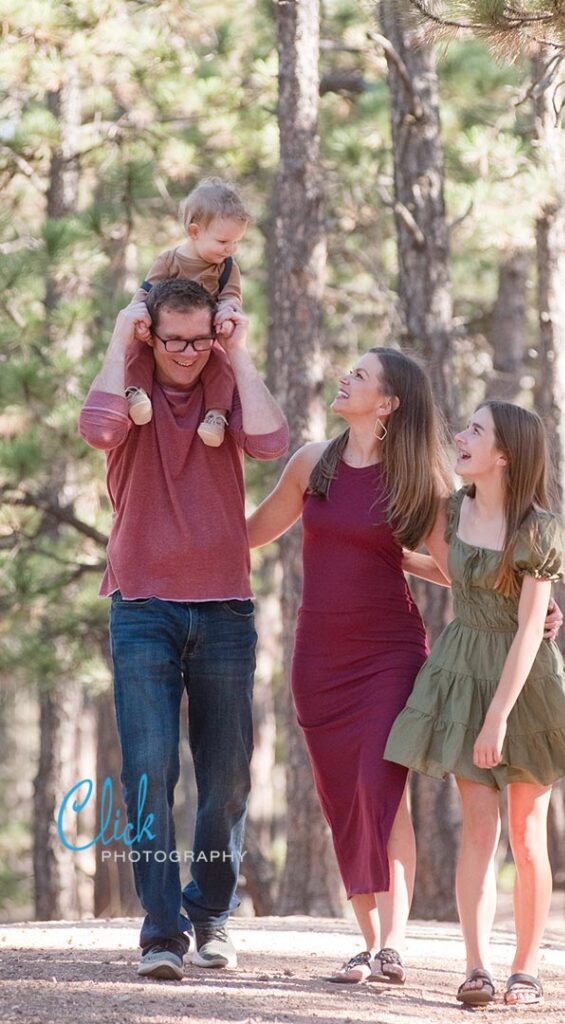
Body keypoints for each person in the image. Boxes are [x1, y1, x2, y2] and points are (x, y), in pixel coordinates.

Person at [247, 358, 562, 986]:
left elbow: (458, 569)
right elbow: (252, 530)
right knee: (341, 798)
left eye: (359, 374)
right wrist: (179, 531)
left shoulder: (417, 481)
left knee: (380, 787)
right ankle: (367, 944)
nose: (343, 376)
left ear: (388, 403)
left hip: (388, 651)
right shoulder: (312, 463)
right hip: (318, 654)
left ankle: (394, 944)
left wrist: (531, 601)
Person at [78, 279, 288, 981]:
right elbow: (98, 430)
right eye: (175, 339)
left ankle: (213, 915)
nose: (189, 353)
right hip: (142, 607)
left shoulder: (225, 375)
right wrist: (119, 340)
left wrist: (242, 353)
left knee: (226, 777)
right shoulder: (128, 377)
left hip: (224, 606)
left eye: (201, 339)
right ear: (150, 333)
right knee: (150, 770)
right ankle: (160, 931)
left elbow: (269, 441)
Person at [385, 400, 565, 1007]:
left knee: (528, 836)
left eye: (475, 430)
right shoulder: (453, 511)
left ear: (503, 454)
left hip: (523, 684)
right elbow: (462, 575)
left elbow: (532, 627)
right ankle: (476, 967)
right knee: (478, 826)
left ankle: (526, 968)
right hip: (461, 669)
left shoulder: (540, 528)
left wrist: (499, 717)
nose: (462, 435)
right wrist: (397, 560)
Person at [124, 177, 250, 447]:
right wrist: (139, 319)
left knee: (221, 367)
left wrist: (228, 310)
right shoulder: (169, 260)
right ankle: (136, 392)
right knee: (137, 353)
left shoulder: (227, 268)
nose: (230, 249)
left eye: (236, 243)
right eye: (223, 241)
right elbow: (145, 293)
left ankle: (216, 415)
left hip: (203, 336)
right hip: (163, 332)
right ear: (194, 232)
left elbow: (231, 295)